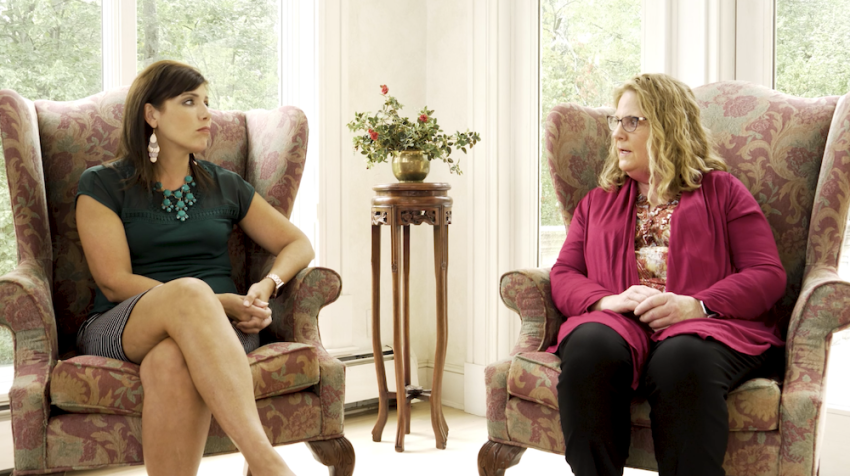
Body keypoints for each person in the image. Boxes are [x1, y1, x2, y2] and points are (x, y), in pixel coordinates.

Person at [75, 60, 313, 476]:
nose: (206, 113)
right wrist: (215, 300)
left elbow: (298, 243)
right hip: (123, 323)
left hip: (219, 334)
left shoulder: (226, 185)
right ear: (152, 114)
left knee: (170, 360)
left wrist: (268, 284)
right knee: (188, 291)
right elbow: (113, 282)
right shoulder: (102, 184)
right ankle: (267, 463)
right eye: (189, 101)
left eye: (207, 101)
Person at [548, 73, 786, 476]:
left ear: (667, 125)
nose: (617, 134)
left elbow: (766, 274)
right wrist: (608, 300)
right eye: (615, 122)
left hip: (704, 330)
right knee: (589, 345)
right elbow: (564, 273)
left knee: (681, 358)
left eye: (631, 122)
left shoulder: (723, 191)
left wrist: (697, 305)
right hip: (619, 324)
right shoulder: (595, 203)